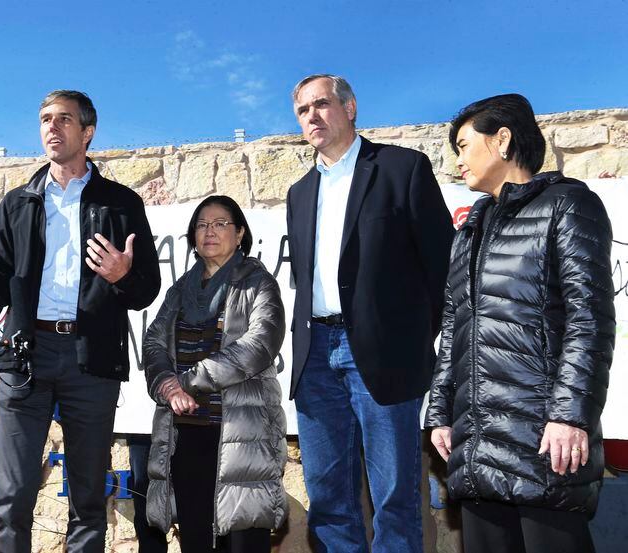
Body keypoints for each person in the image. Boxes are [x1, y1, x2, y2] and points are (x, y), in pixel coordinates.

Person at [0, 89, 160, 553]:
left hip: (91, 359)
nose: (52, 127)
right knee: (12, 495)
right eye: (45, 118)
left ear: (87, 133)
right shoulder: (18, 202)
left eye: (64, 119)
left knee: (89, 495)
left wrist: (122, 275)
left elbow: (146, 288)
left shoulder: (122, 203)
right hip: (25, 355)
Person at [425, 93, 615, 553]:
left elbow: (589, 319)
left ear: (503, 140)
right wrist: (440, 414)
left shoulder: (568, 204)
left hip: (544, 442)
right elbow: (454, 331)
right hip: (476, 443)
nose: (458, 162)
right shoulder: (469, 229)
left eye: (465, 146)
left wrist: (570, 416)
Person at [285, 74, 454, 552]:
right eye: (302, 110)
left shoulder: (402, 169)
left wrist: (415, 339)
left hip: (382, 356)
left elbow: (442, 269)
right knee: (327, 498)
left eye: (321, 104)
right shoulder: (299, 194)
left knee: (395, 498)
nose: (313, 116)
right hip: (314, 356)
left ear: (350, 106)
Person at [144, 195, 288, 553]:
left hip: (241, 433)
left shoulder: (259, 284)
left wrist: (189, 381)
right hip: (187, 433)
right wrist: (167, 385)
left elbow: (259, 345)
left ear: (240, 234)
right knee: (195, 540)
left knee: (243, 540)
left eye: (221, 223)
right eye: (202, 225)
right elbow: (153, 343)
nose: (210, 231)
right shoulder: (180, 291)